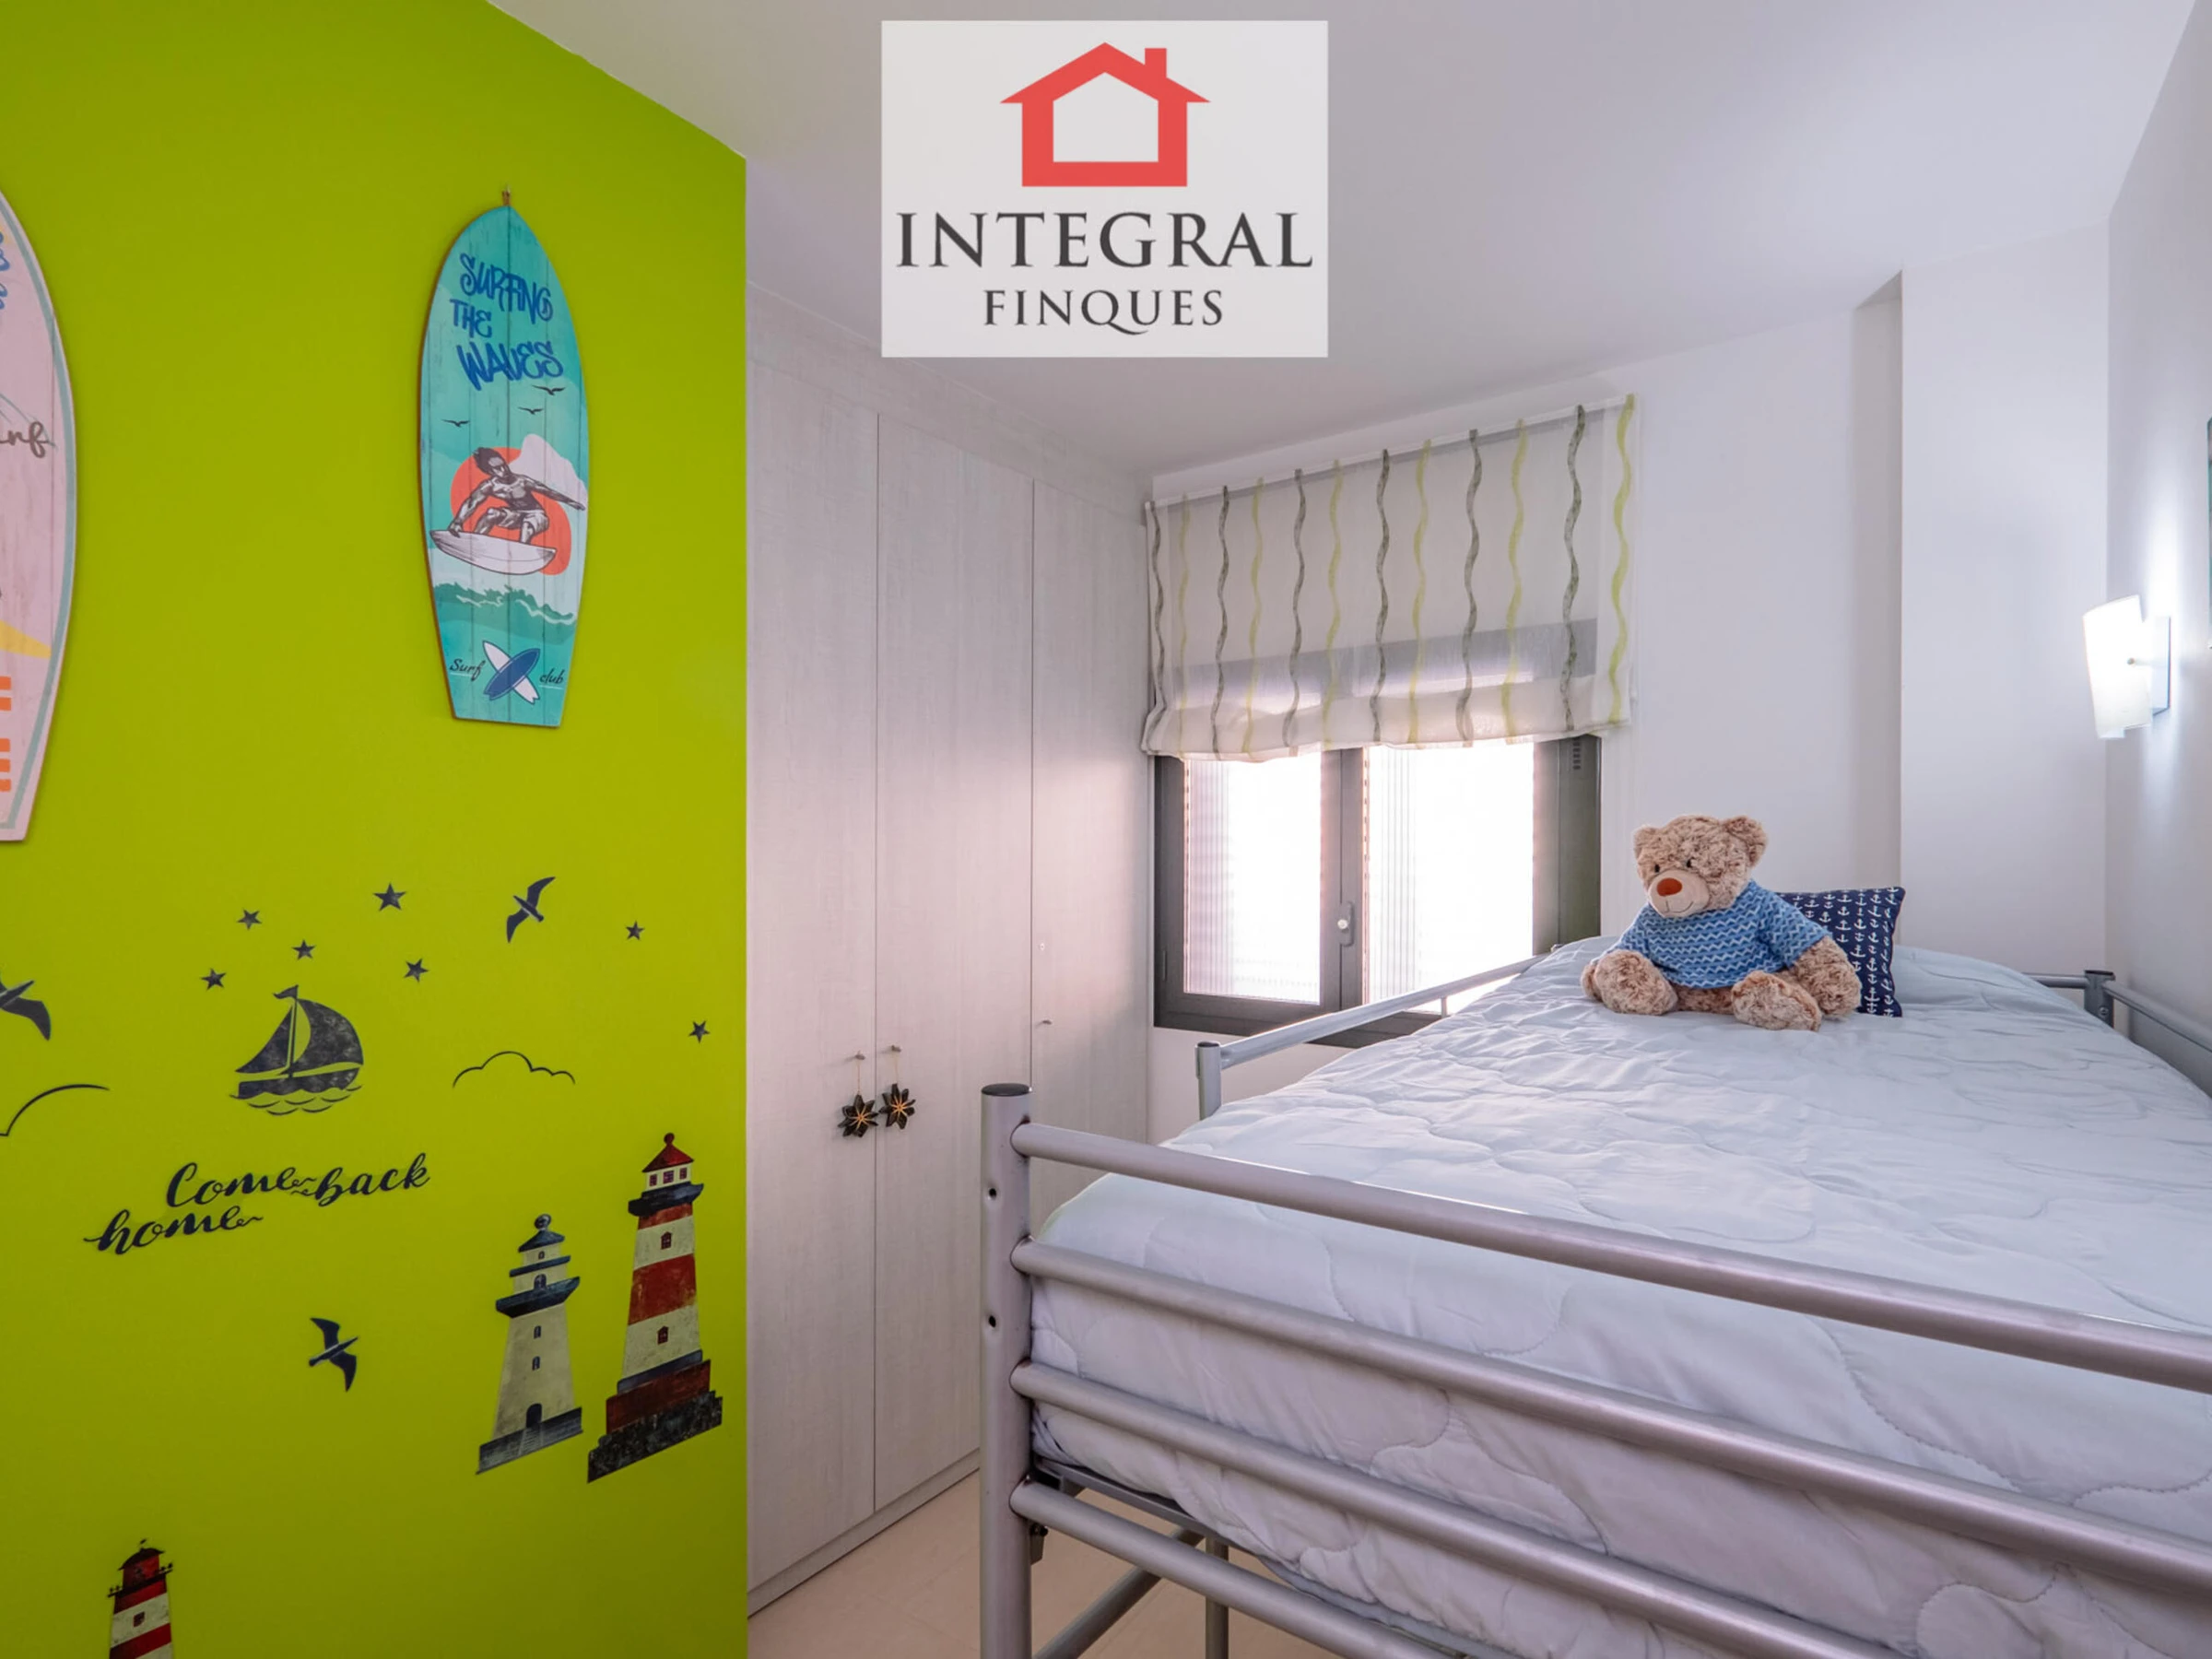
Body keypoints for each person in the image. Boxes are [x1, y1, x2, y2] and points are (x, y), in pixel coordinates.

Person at [450, 447, 582, 545]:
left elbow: (548, 491)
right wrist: (458, 522)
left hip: (537, 516)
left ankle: (523, 548)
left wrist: (571, 502)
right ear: (489, 471)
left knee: (527, 524)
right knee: (491, 513)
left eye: (504, 465)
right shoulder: (490, 486)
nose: (504, 470)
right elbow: (471, 502)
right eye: (498, 468)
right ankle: (476, 542)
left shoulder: (522, 481)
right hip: (516, 516)